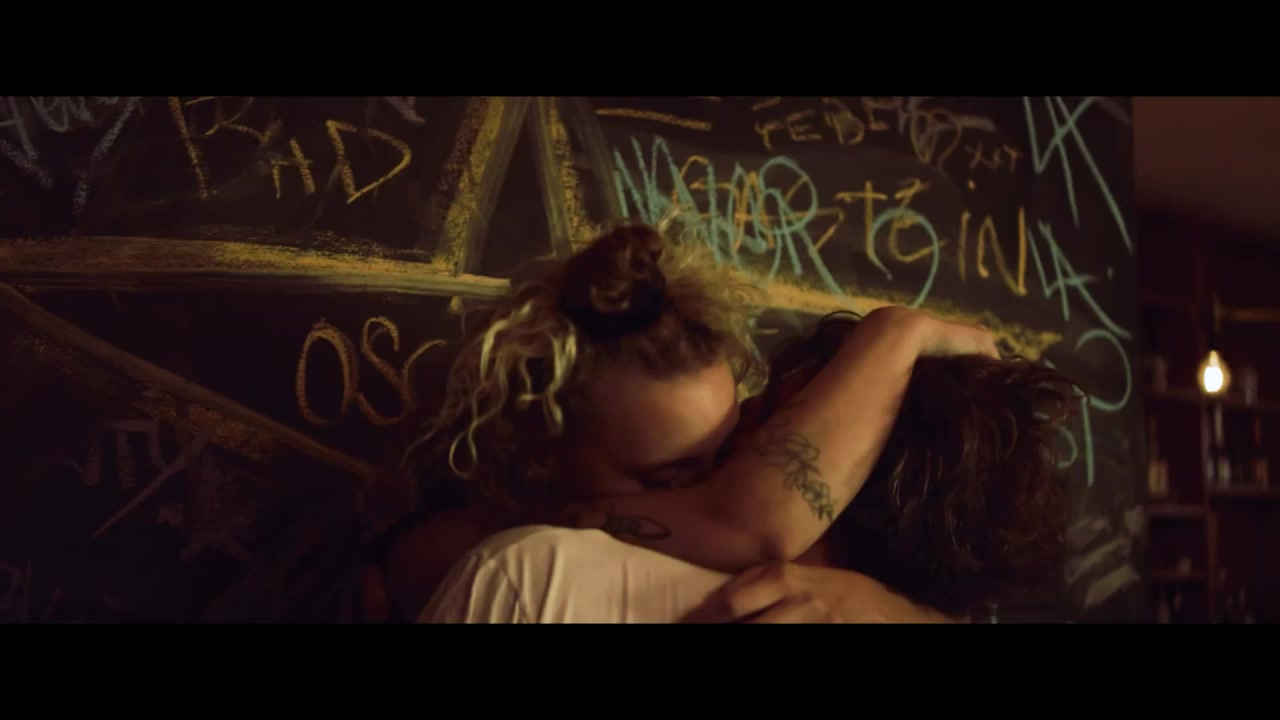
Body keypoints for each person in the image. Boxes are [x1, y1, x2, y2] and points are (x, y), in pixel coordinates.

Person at [375, 221, 998, 621]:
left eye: (726, 457)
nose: (712, 485)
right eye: (665, 478)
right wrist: (897, 331)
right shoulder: (480, 560)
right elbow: (753, 521)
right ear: (544, 456)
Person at [421, 313, 1078, 623]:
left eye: (767, 422)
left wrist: (897, 332)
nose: (736, 445)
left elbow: (757, 518)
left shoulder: (543, 579)